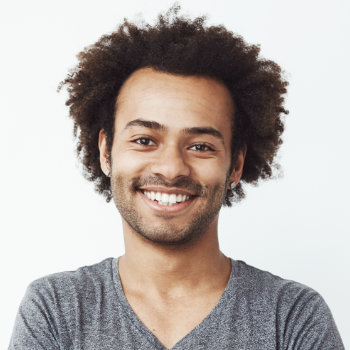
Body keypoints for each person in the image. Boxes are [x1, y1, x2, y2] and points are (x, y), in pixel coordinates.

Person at [9, 6, 344, 350]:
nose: (171, 168)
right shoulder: (55, 310)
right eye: (144, 141)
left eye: (200, 146)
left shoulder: (292, 318)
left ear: (236, 164)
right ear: (106, 152)